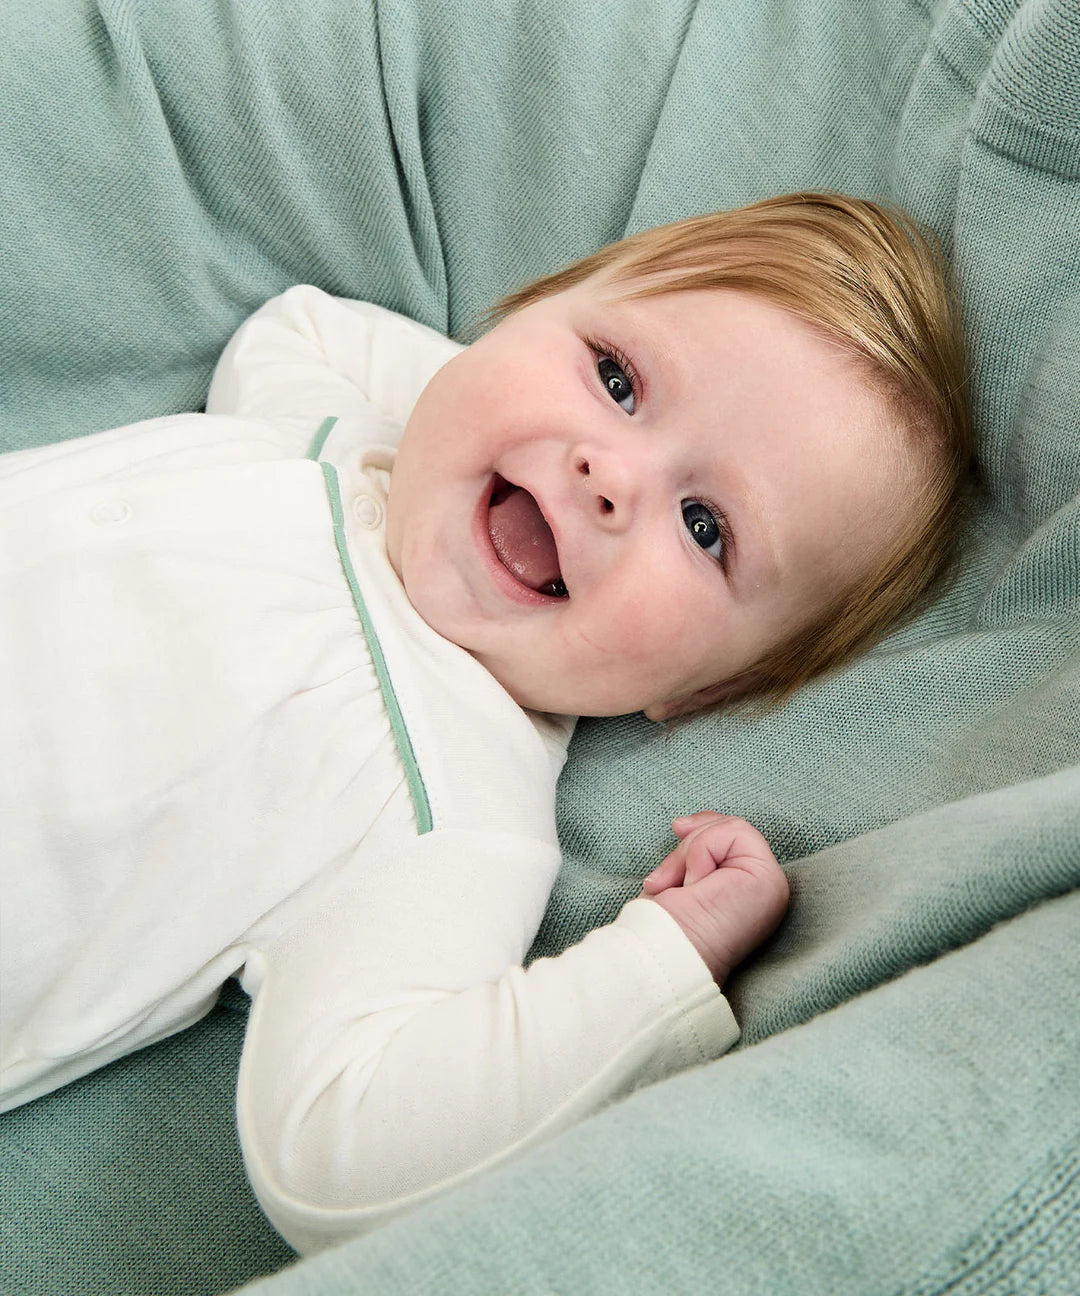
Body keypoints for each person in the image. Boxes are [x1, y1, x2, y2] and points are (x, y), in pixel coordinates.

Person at [0, 192, 971, 1254]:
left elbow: (338, 1152)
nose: (609, 474)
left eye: (706, 529)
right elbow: (296, 327)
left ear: (703, 694)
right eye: (616, 376)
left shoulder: (449, 812)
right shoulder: (332, 436)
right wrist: (476, 405)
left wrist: (659, 964)